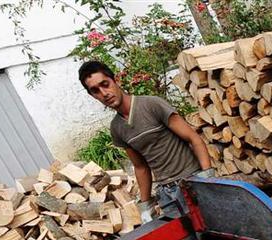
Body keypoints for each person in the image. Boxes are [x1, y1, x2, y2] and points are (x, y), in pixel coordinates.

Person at [78, 60, 213, 222]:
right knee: (185, 238)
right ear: (92, 96)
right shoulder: (117, 128)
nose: (104, 93)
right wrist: (145, 206)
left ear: (116, 80)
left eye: (105, 84)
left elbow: (193, 137)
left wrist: (207, 177)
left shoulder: (151, 105)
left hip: (192, 182)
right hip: (167, 195)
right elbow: (140, 167)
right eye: (96, 91)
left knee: (215, 232)